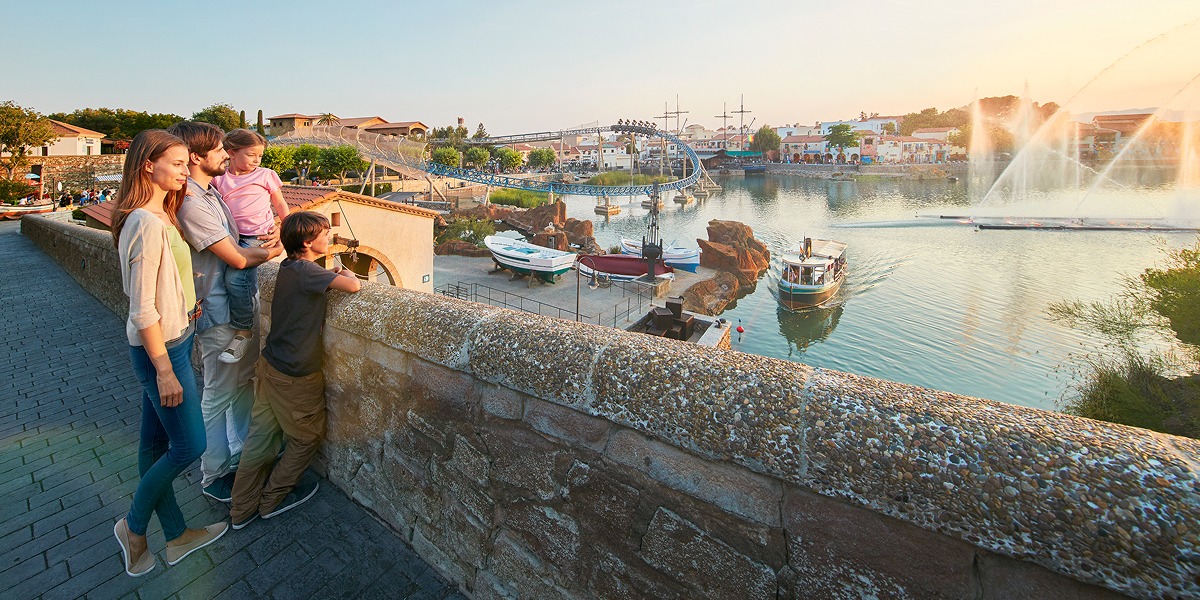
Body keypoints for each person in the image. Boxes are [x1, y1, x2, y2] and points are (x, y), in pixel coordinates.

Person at [110, 130, 227, 577]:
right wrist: (164, 370)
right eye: (177, 164)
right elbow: (141, 308)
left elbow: (165, 282)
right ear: (148, 166)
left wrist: (186, 302)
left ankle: (177, 535)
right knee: (190, 445)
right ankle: (133, 526)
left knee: (155, 443)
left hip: (174, 338)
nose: (185, 170)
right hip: (162, 351)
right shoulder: (144, 221)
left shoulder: (162, 213)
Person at [167, 121, 282, 504]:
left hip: (234, 308)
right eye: (219, 149)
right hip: (219, 314)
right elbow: (236, 256)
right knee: (217, 395)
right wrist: (277, 249)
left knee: (242, 383)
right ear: (195, 156)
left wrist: (272, 230)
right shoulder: (192, 201)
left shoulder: (209, 192)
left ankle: (246, 453)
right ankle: (214, 474)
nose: (225, 154)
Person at [229, 211, 360, 529]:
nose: (328, 237)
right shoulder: (308, 271)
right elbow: (354, 286)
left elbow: (315, 281)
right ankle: (271, 500)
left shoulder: (290, 266)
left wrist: (329, 271)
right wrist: (344, 270)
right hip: (295, 374)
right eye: (323, 234)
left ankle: (241, 509)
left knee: (260, 438)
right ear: (306, 242)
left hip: (271, 364)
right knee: (305, 438)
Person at [211, 129, 289, 365]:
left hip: (258, 236)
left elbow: (280, 204)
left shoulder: (266, 175)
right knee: (224, 278)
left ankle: (244, 331)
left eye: (260, 156)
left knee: (236, 279)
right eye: (251, 155)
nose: (257, 160)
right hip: (231, 236)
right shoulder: (219, 179)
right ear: (232, 153)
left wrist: (285, 229)